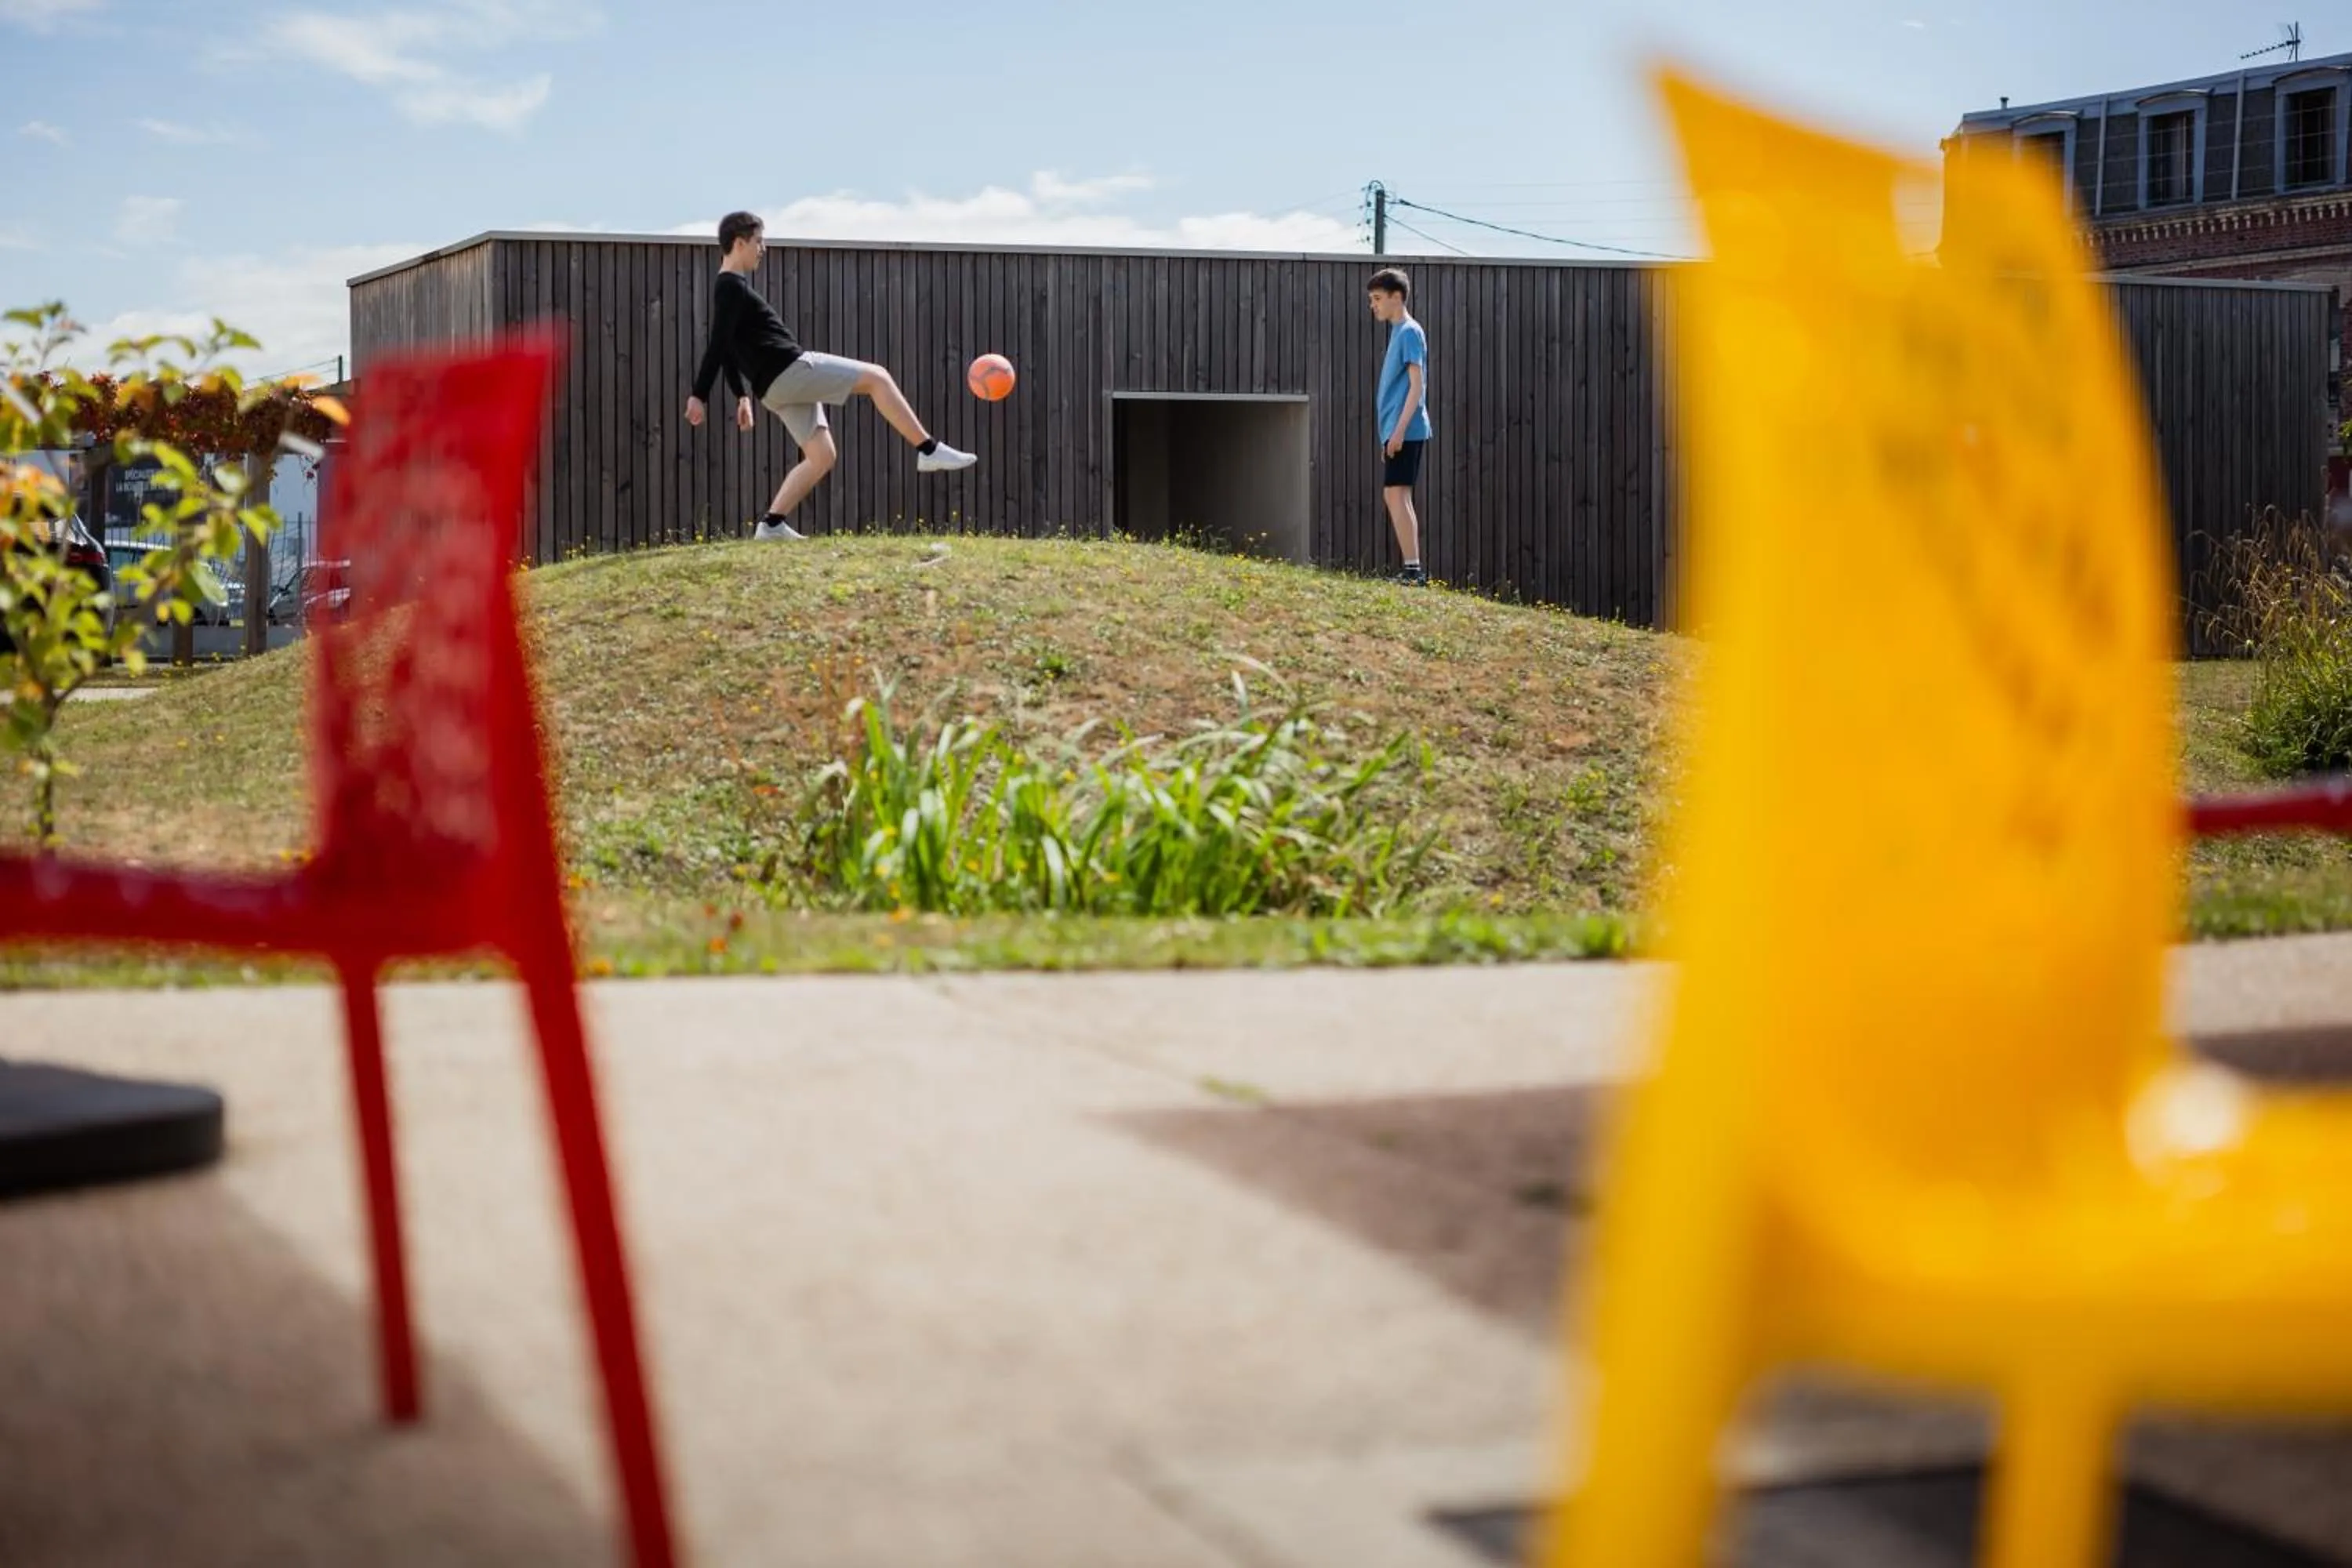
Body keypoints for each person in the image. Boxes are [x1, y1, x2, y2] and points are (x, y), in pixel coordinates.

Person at [685, 211, 975, 541]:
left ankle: (772, 524)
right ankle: (928, 449)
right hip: (790, 370)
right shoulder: (731, 288)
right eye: (758, 241)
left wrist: (741, 396)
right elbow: (718, 345)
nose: (763, 248)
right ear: (740, 243)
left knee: (822, 456)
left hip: (773, 389)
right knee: (877, 377)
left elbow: (727, 347)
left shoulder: (727, 289)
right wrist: (699, 395)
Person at [1366, 267, 1432, 585]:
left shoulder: (1409, 332)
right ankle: (1412, 570)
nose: (1373, 305)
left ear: (1397, 297)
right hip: (1397, 429)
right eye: (1371, 299)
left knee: (1396, 495)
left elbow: (1417, 387)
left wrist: (1400, 431)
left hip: (1407, 429)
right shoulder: (1399, 332)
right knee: (1395, 495)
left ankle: (1413, 571)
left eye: (1378, 298)